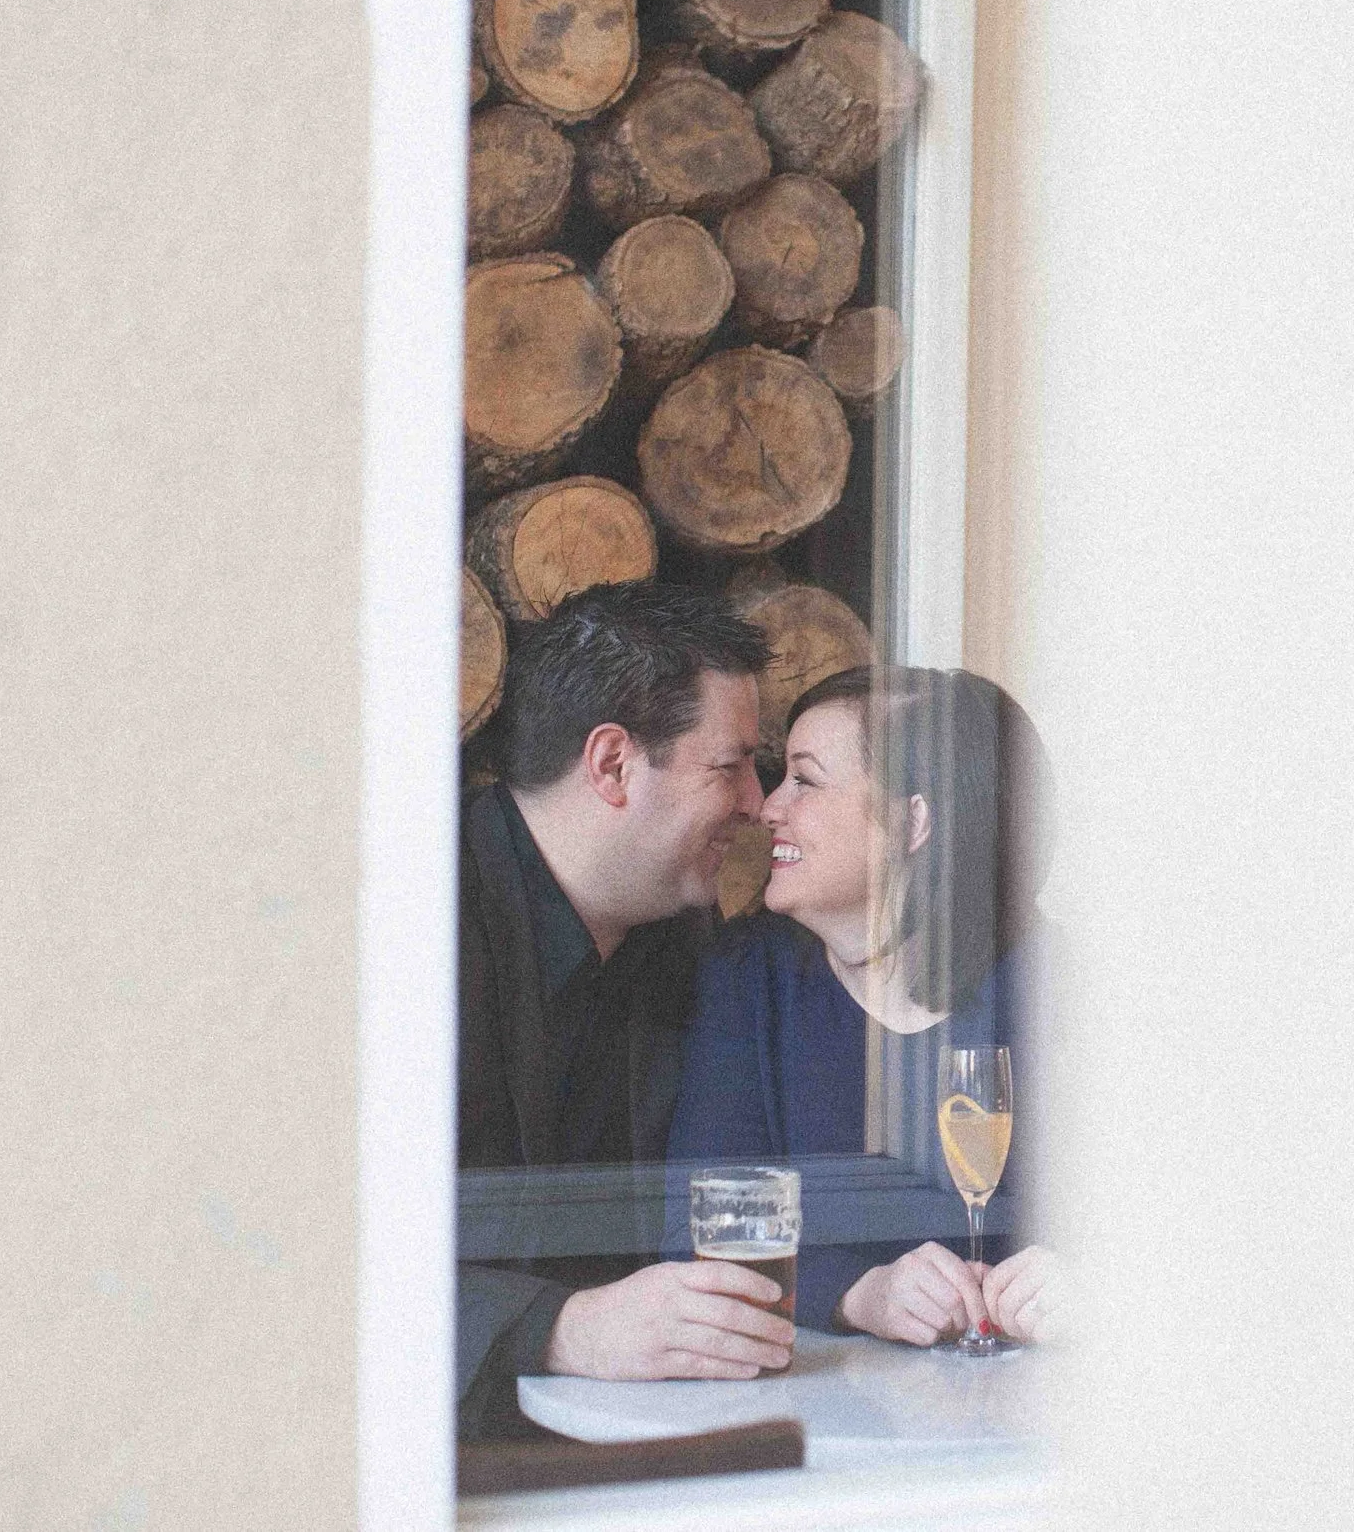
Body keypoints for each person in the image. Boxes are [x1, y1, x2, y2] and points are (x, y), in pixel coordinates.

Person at [455, 581, 800, 1441]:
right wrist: (562, 1327)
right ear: (612, 765)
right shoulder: (402, 930)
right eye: (731, 767)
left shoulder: (686, 939)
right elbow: (313, 1249)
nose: (759, 804)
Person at [668, 665, 1062, 1347]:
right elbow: (691, 1233)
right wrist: (858, 1292)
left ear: (913, 821)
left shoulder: (1060, 988)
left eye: (806, 779)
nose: (768, 806)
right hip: (814, 1411)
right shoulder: (747, 977)